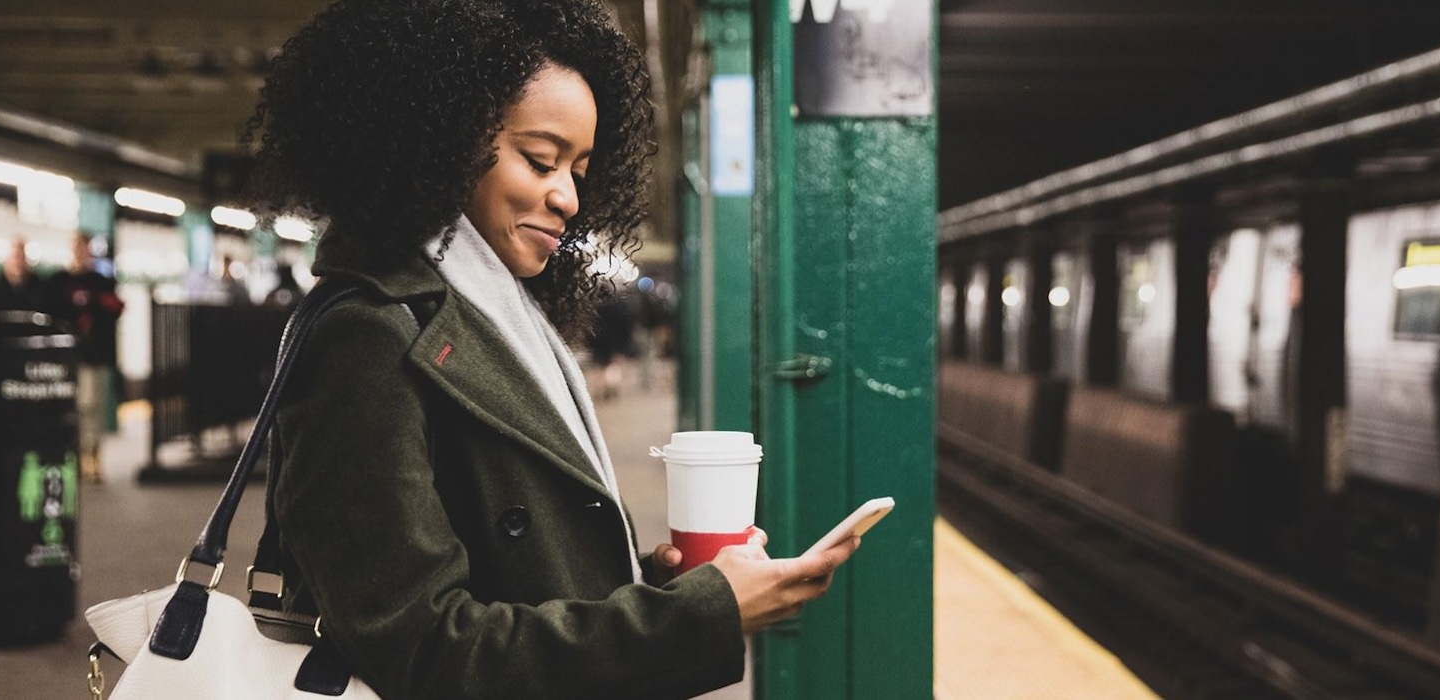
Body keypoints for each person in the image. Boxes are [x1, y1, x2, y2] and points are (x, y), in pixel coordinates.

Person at [247, 1, 859, 698]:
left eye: (579, 169)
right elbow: (424, 651)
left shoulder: (504, 318)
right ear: (440, 141)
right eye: (540, 160)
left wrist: (658, 589)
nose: (567, 196)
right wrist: (698, 618)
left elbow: (518, 574)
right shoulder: (367, 338)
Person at [48, 232, 124, 482]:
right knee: (76, 407)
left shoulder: (101, 282)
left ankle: (93, 455)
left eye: (83, 247)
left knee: (93, 405)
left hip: (95, 354)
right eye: (75, 247)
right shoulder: (59, 282)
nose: (79, 252)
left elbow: (116, 308)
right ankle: (78, 454)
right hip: (69, 355)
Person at [0, 237, 47, 312]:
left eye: (21, 257)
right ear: (6, 260)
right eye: (15, 257)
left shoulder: (38, 287)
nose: (17, 262)